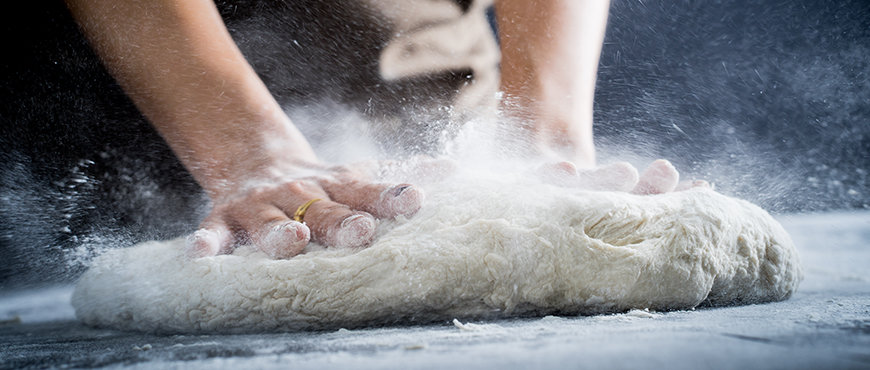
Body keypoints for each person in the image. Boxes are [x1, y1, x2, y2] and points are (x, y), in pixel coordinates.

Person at [64, 0, 684, 260]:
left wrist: (540, 139)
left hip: (449, 136)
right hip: (163, 150)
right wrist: (252, 157)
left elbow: (534, 146)